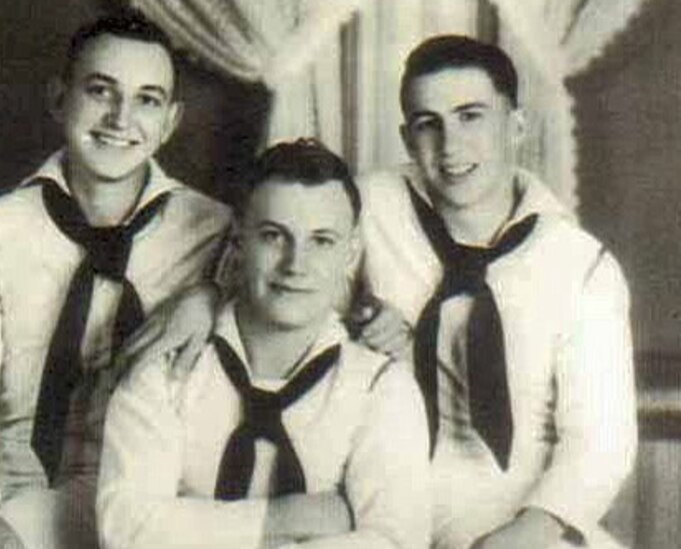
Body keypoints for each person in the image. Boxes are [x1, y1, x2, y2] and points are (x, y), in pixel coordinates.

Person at [0, 11, 230, 549]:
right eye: (101, 91)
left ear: (172, 121)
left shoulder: (218, 232)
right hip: (12, 491)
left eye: (147, 100)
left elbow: (298, 299)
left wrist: (214, 294)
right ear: (60, 98)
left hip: (159, 498)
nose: (120, 118)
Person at [358, 35, 637, 548]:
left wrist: (522, 536)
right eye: (428, 124)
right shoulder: (368, 208)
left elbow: (601, 443)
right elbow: (268, 263)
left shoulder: (579, 266)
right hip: (389, 508)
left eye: (471, 116)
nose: (450, 146)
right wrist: (355, 329)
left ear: (516, 127)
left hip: (527, 514)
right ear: (406, 138)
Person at [97, 139, 431, 549]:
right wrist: (285, 518)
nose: (296, 264)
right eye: (274, 236)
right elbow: (126, 530)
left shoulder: (381, 386)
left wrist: (190, 526)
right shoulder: (168, 365)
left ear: (351, 253)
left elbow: (398, 542)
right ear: (238, 242)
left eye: (322, 241)